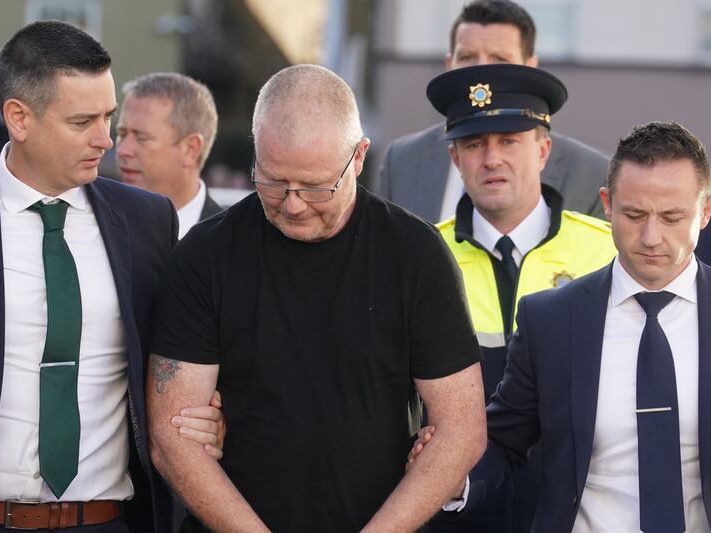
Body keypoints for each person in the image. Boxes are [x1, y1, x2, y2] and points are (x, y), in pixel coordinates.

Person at [146, 64, 486, 532]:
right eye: (271, 181)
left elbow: (462, 430)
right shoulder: (204, 257)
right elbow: (172, 439)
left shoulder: (415, 254)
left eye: (313, 186)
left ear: (360, 156)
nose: (292, 204)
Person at [0, 20, 221, 533]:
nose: (106, 140)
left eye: (109, 118)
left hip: (106, 520)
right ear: (19, 118)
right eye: (83, 122)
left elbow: (176, 359)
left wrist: (209, 412)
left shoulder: (148, 222)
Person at [413, 121, 711, 532]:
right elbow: (503, 440)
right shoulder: (551, 321)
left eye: (672, 217)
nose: (650, 236)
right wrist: (450, 476)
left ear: (705, 211)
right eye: (634, 214)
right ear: (607, 205)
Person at [420, 63, 617, 532]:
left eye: (509, 140)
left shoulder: (606, 250)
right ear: (455, 159)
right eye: (474, 144)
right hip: (454, 514)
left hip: (572, 515)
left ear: (544, 149)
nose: (492, 159)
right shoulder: (422, 255)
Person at [375, 0, 608, 222]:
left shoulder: (589, 173)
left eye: (499, 58)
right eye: (467, 57)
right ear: (449, 65)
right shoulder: (403, 160)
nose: (482, 71)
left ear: (530, 66)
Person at [116, 72, 223, 239]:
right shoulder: (95, 229)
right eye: (121, 134)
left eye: (142, 138)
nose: (123, 150)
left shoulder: (235, 243)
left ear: (191, 149)